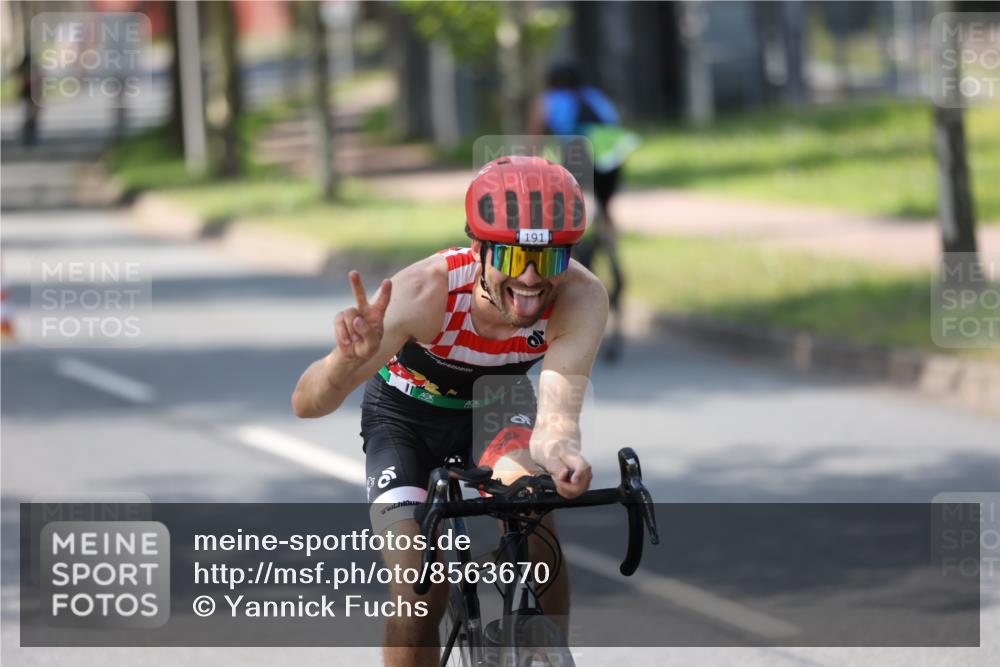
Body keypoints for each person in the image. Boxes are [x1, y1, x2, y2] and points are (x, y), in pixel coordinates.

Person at [291, 156, 609, 667]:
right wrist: (341, 363)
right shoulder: (422, 293)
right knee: (420, 590)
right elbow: (307, 404)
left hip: (496, 405)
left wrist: (563, 457)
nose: (530, 281)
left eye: (548, 260)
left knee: (532, 511)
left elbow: (556, 418)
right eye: (511, 259)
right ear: (478, 249)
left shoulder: (581, 295)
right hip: (406, 419)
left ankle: (547, 651)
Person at [529, 63, 639, 362]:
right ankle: (609, 243)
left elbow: (534, 143)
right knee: (604, 209)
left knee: (570, 212)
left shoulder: (549, 99)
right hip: (610, 154)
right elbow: (615, 123)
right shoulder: (595, 96)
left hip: (578, 151)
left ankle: (573, 259)